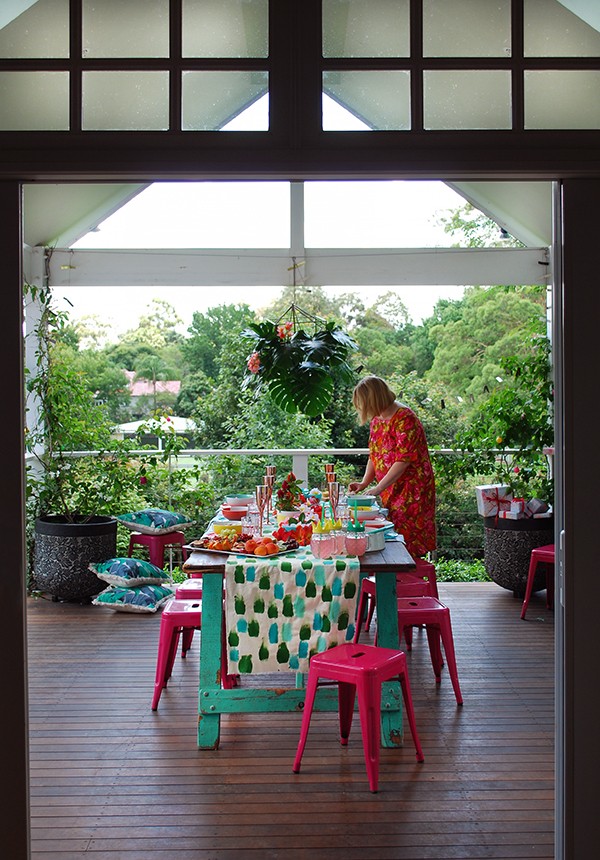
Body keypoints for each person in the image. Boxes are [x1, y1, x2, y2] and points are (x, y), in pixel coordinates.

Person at [348, 375, 436, 558]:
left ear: (373, 400)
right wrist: (364, 483)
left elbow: (403, 460)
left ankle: (408, 581)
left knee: (407, 538)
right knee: (391, 534)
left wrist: (378, 488)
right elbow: (375, 455)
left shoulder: (405, 418)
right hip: (390, 487)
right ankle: (396, 581)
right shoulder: (377, 420)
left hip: (412, 489)